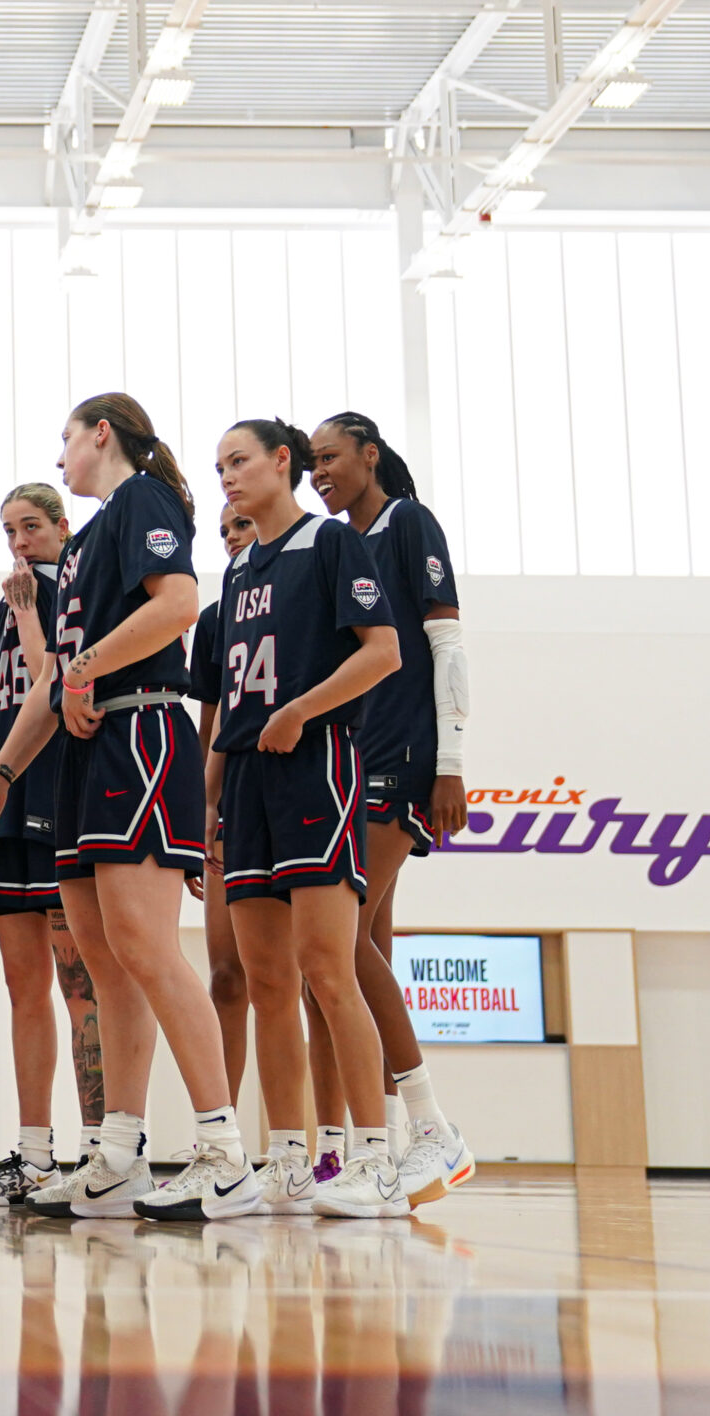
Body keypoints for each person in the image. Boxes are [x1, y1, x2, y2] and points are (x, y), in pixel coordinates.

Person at [0, 394, 253, 1222]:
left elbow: (177, 606)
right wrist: (2, 775)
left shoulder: (145, 502)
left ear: (101, 434)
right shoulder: (86, 542)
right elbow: (56, 678)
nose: (59, 461)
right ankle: (116, 1152)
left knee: (144, 944)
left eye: (66, 441)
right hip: (83, 755)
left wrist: (86, 667)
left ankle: (224, 1150)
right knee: (102, 954)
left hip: (146, 731)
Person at [206, 418, 407, 1219]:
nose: (226, 477)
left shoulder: (329, 544)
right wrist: (207, 799)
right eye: (217, 466)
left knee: (330, 968)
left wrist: (302, 708)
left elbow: (383, 650)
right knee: (265, 982)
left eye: (240, 461)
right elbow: (221, 702)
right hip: (250, 779)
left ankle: (375, 1158)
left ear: (281, 461)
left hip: (316, 765)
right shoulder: (234, 572)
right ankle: (288, 1161)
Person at [308, 412, 474, 1203]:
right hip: (353, 754)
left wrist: (450, 764)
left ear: (369, 455)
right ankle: (373, 1154)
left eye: (330, 457)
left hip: (403, 758)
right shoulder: (340, 543)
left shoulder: (410, 524)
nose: (319, 473)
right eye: (309, 462)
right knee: (366, 939)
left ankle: (431, 1130)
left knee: (339, 943)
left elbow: (447, 647)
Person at [0, 484, 106, 1210]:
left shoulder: (68, 590)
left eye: (34, 526)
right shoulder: (8, 598)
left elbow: (57, 680)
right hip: (9, 801)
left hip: (57, 795)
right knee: (24, 987)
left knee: (81, 986)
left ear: (63, 528)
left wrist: (26, 609)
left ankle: (106, 1151)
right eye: (10, 528)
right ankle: (36, 1154)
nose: (20, 541)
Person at [186, 505, 256, 1101]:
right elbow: (210, 731)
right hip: (231, 811)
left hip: (304, 797)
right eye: (225, 530)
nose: (232, 538)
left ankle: (338, 1142)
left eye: (243, 526)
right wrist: (202, 814)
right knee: (227, 979)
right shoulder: (214, 621)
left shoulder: (313, 579)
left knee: (314, 980)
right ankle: (225, 1139)